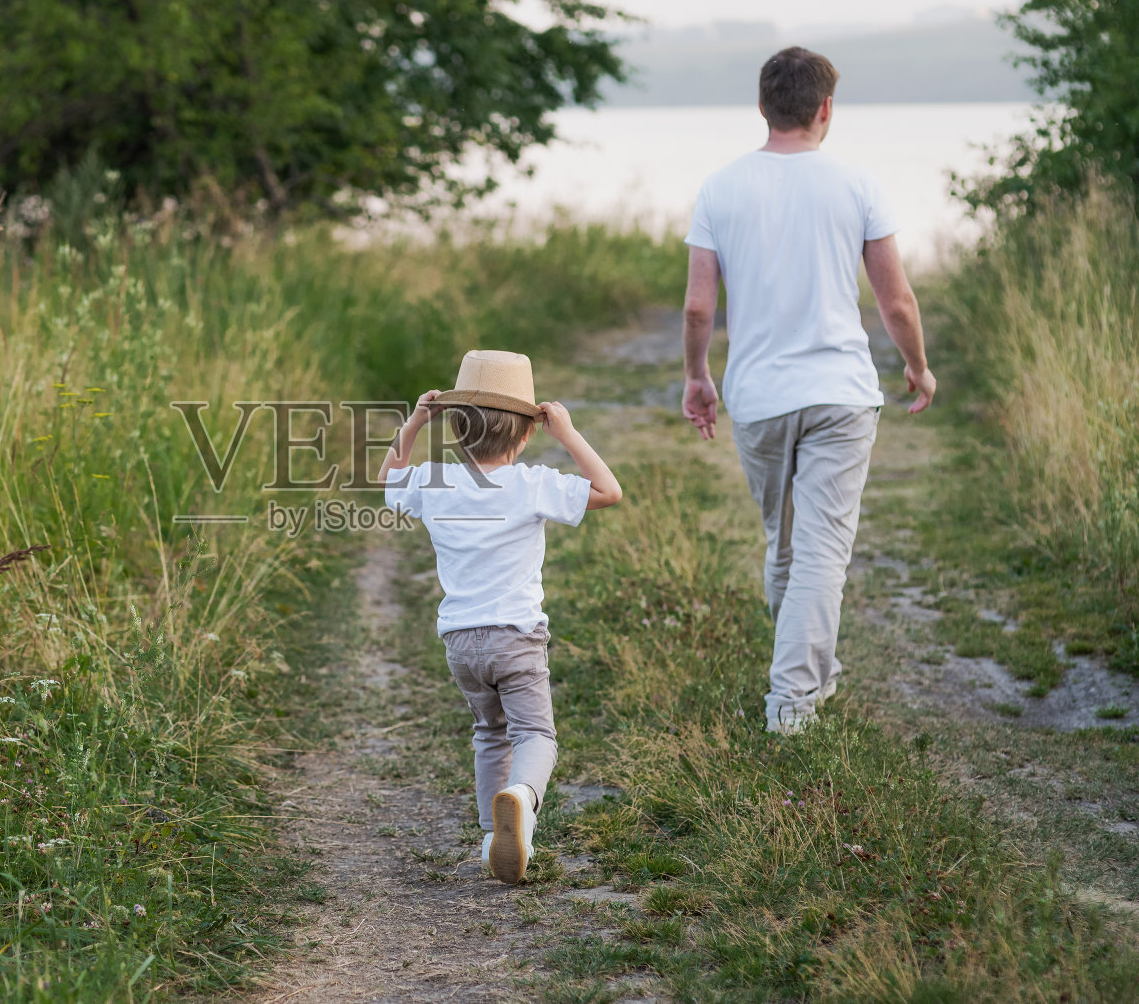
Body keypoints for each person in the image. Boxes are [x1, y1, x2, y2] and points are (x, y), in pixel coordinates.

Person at [681, 46, 938, 734]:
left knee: (788, 544)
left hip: (759, 397)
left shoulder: (720, 188)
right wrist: (916, 364)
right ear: (826, 109)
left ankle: (803, 687)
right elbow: (897, 301)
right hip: (840, 394)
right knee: (819, 548)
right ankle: (795, 699)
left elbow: (699, 308)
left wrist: (698, 375)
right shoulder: (857, 184)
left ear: (762, 107)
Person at [380, 349, 622, 884]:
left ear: (457, 429)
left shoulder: (433, 481)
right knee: (535, 734)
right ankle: (521, 798)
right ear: (527, 432)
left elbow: (388, 478)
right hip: (516, 635)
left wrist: (417, 419)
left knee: (490, 731)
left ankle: (495, 835)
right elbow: (609, 490)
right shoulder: (532, 484)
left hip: (461, 643)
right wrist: (569, 433)